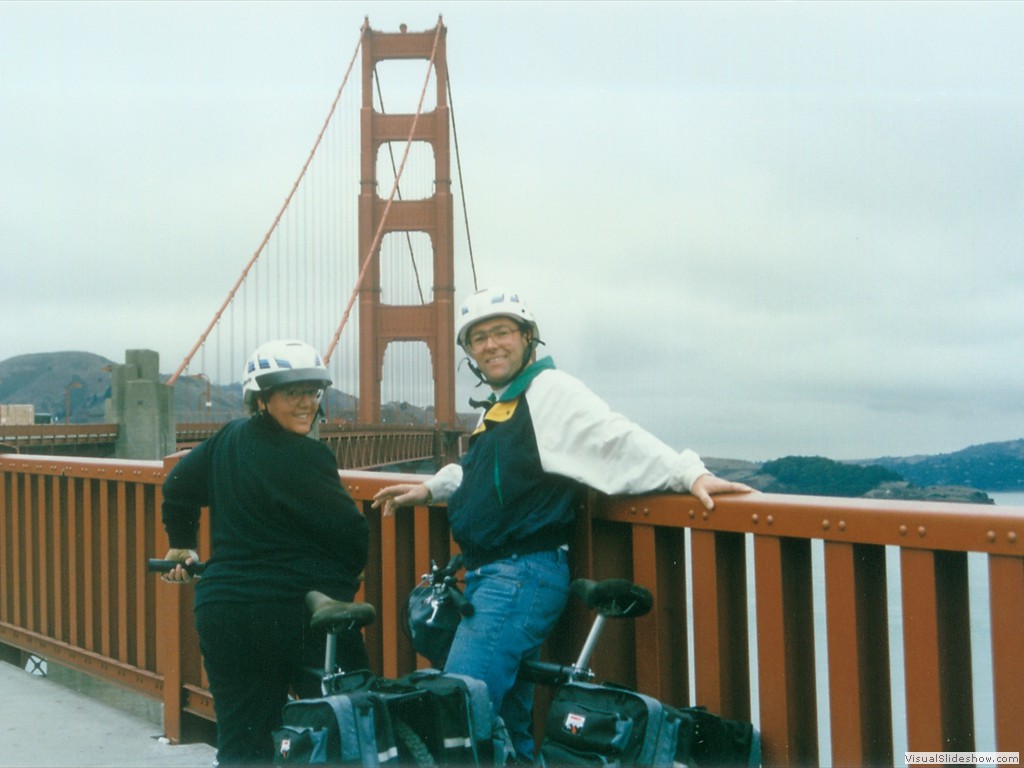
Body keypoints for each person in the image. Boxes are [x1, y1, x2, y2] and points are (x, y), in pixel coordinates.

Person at [372, 288, 753, 763]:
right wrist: (434, 488)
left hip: (519, 576)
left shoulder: (551, 393)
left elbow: (615, 437)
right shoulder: (504, 404)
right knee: (505, 722)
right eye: (478, 339)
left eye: (501, 333)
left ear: (529, 338)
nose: (490, 346)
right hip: (495, 577)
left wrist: (687, 472)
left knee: (458, 711)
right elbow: (485, 472)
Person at [160, 339, 369, 766]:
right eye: (292, 392)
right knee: (350, 725)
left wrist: (182, 542)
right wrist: (337, 589)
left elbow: (178, 484)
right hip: (297, 614)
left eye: (312, 392)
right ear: (261, 398)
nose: (306, 403)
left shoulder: (228, 439)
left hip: (224, 611)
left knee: (242, 743)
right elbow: (351, 533)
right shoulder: (311, 456)